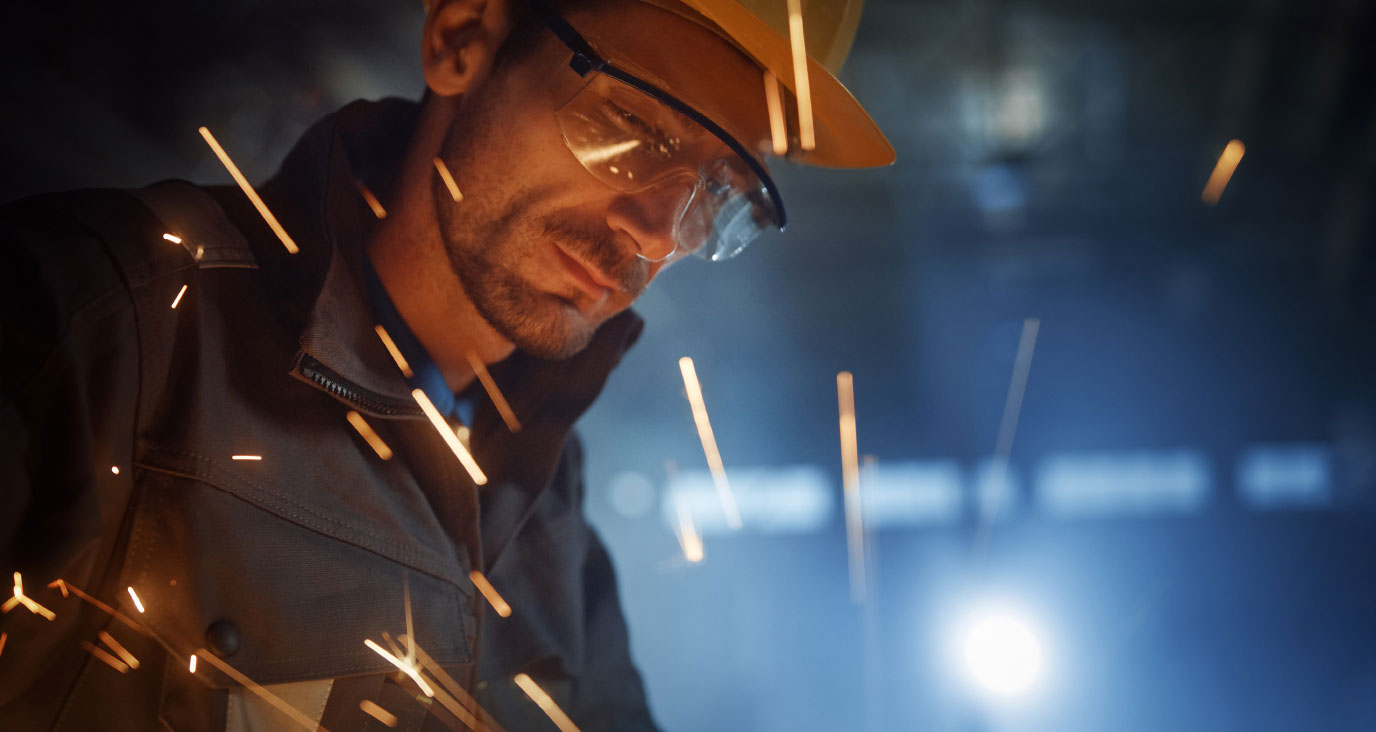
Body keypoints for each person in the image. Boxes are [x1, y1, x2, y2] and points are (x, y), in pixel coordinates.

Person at [0, 0, 892, 728]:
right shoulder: (104, 329)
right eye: (632, 125)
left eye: (718, 192)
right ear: (462, 39)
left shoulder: (549, 506)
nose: (658, 233)